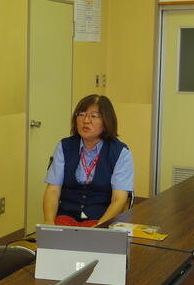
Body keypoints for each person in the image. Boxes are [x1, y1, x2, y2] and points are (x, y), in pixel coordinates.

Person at [43, 94, 134, 226]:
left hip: (100, 220)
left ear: (106, 121)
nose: (86, 120)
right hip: (66, 217)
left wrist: (99, 226)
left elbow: (119, 200)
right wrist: (49, 221)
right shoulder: (64, 146)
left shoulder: (120, 152)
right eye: (81, 114)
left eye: (94, 116)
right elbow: (53, 190)